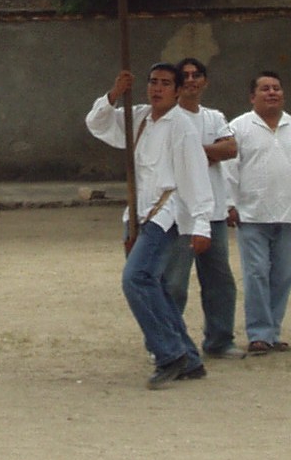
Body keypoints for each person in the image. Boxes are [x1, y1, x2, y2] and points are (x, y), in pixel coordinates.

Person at [86, 63, 214, 389]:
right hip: (140, 212)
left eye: (165, 83)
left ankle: (169, 354)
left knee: (136, 278)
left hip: (167, 212)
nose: (157, 89)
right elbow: (98, 124)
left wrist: (201, 224)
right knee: (153, 283)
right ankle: (188, 357)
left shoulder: (181, 126)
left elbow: (195, 175)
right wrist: (115, 93)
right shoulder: (139, 117)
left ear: (177, 90)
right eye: (153, 82)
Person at [227, 70, 291, 354]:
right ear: (252, 96)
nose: (272, 93)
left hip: (287, 215)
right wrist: (229, 204)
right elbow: (229, 169)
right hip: (252, 215)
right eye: (265, 89)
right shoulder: (239, 128)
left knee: (284, 274)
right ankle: (258, 333)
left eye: (277, 88)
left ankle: (272, 331)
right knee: (256, 274)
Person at [162, 57, 244, 359]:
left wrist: (194, 153)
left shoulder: (214, 117)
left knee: (219, 281)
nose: (192, 81)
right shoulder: (168, 118)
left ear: (205, 81)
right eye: (185, 76)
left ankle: (220, 340)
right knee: (174, 284)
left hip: (215, 213)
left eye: (197, 75)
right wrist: (208, 153)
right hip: (180, 214)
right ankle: (169, 342)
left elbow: (231, 148)